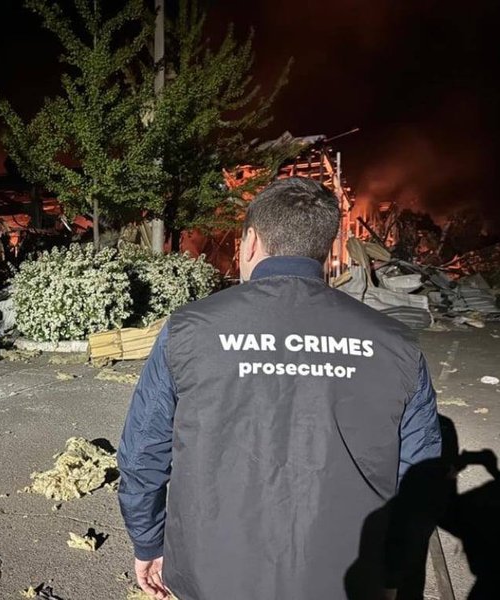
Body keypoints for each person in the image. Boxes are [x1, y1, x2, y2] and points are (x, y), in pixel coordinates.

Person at [117, 177, 441, 600]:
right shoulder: (395, 345)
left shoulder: (188, 330)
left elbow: (142, 454)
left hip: (212, 578)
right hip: (346, 581)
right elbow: (420, 479)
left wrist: (148, 543)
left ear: (250, 241)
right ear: (328, 248)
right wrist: (392, 570)